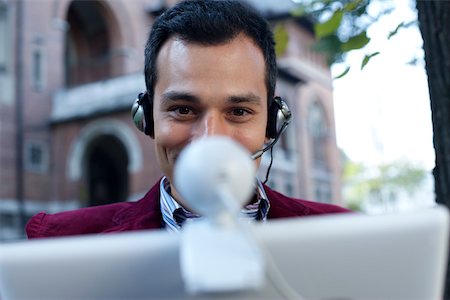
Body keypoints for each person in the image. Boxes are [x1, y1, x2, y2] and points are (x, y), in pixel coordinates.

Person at [26, 0, 350, 238]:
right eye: (183, 109)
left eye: (238, 112)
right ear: (146, 118)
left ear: (272, 125)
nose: (210, 139)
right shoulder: (62, 240)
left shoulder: (344, 236)